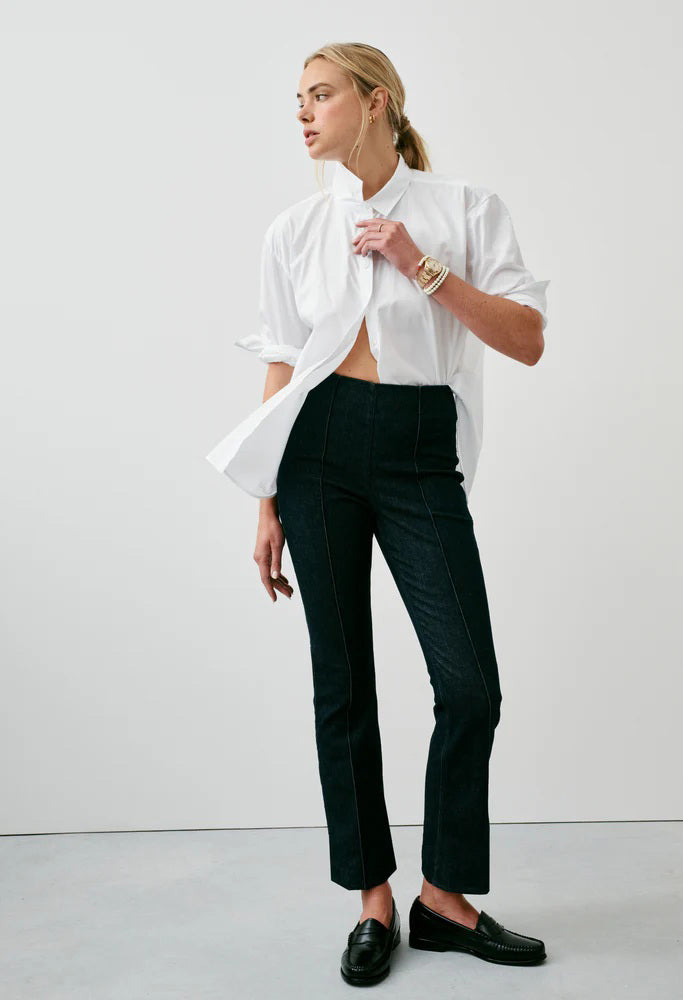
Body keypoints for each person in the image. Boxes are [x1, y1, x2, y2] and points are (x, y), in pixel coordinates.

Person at [206, 42, 550, 986]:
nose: (305, 113)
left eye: (322, 94)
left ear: (379, 102)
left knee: (469, 684)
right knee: (342, 683)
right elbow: (281, 364)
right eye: (299, 99)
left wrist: (422, 266)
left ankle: (446, 898)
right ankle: (373, 899)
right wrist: (265, 498)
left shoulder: (464, 211)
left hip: (415, 448)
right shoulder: (293, 231)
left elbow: (527, 340)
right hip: (315, 453)